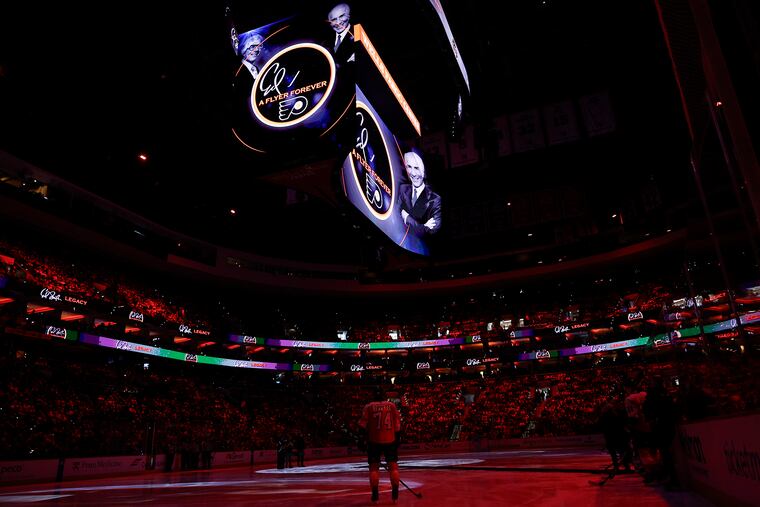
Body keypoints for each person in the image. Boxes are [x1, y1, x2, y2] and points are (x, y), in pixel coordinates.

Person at [358, 386, 402, 504]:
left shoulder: (369, 407)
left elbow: (362, 425)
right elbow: (397, 424)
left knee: (373, 468)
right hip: (390, 440)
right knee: (393, 467)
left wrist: (361, 440)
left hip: (374, 441)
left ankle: (375, 495)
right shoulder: (391, 406)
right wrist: (397, 438)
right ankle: (395, 494)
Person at [398, 151, 442, 236]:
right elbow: (397, 213)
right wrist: (423, 226)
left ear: (423, 172)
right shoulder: (403, 188)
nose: (413, 173)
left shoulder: (435, 199)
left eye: (417, 168)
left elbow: (433, 229)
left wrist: (406, 217)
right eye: (409, 167)